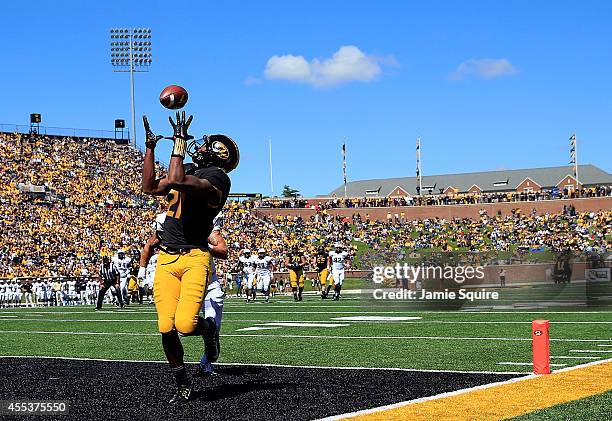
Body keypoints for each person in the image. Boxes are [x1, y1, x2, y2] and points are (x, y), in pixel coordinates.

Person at [141, 112, 238, 404]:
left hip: (195, 256)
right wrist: (150, 148)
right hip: (167, 259)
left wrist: (179, 144)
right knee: (165, 327)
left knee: (185, 324)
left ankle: (208, 329)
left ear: (219, 154)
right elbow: (149, 187)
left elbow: (176, 179)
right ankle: (182, 384)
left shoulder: (217, 178)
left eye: (208, 145)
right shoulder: (194, 168)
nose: (201, 146)